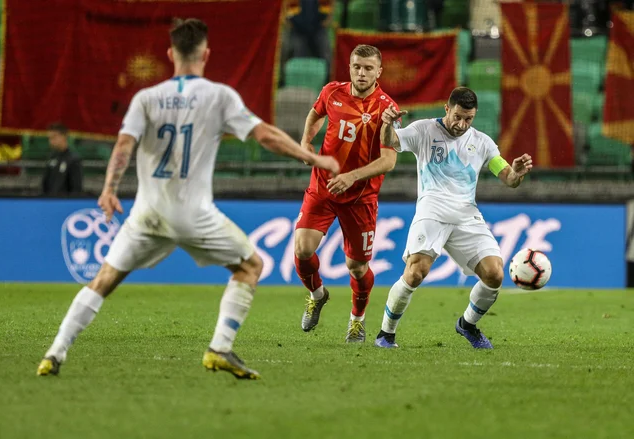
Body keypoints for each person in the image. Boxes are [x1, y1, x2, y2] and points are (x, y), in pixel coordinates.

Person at [37, 18, 339, 380]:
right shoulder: (218, 96)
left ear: (170, 54)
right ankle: (220, 348)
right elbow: (264, 135)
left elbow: (123, 147)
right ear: (205, 54)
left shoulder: (145, 99)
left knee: (103, 279)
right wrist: (314, 157)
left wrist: (108, 189)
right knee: (250, 267)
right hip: (193, 213)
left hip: (147, 213)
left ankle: (55, 352)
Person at [374, 87, 533, 349]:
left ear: (475, 115)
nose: (461, 124)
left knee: (494, 274)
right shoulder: (423, 130)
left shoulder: (482, 142)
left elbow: (509, 179)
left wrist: (516, 173)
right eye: (457, 116)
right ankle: (386, 334)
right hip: (432, 210)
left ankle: (467, 325)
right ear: (446, 109)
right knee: (415, 273)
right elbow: (391, 141)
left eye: (468, 119)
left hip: (466, 215)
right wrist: (387, 123)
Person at [294, 44, 401, 343]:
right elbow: (315, 115)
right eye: (357, 66)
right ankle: (317, 294)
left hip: (360, 197)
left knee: (357, 267)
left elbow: (389, 161)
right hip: (323, 187)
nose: (361, 73)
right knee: (302, 250)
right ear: (350, 67)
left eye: (368, 68)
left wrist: (351, 177)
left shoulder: (387, 110)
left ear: (379, 72)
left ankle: (357, 320)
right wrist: (305, 143)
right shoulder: (332, 92)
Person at [42, 123, 83, 195]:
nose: (51, 141)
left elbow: (76, 188)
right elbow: (45, 183)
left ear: (64, 136)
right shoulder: (52, 157)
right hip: (49, 202)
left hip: (65, 203)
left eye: (54, 137)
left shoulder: (73, 159)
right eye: (49, 138)